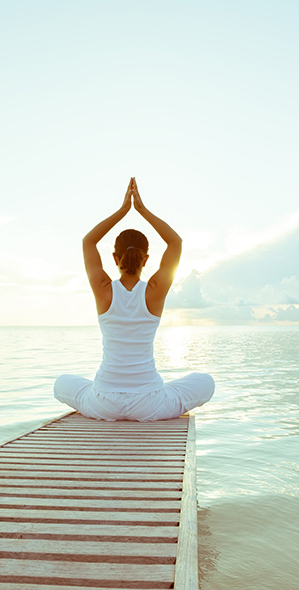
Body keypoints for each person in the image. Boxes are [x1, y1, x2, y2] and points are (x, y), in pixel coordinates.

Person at [54, 177, 214, 421]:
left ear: (115, 258)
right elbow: (175, 242)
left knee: (61, 383)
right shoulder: (154, 290)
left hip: (104, 402)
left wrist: (122, 211)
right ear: (146, 259)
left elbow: (88, 241)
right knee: (206, 382)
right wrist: (141, 209)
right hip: (149, 403)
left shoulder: (103, 289)